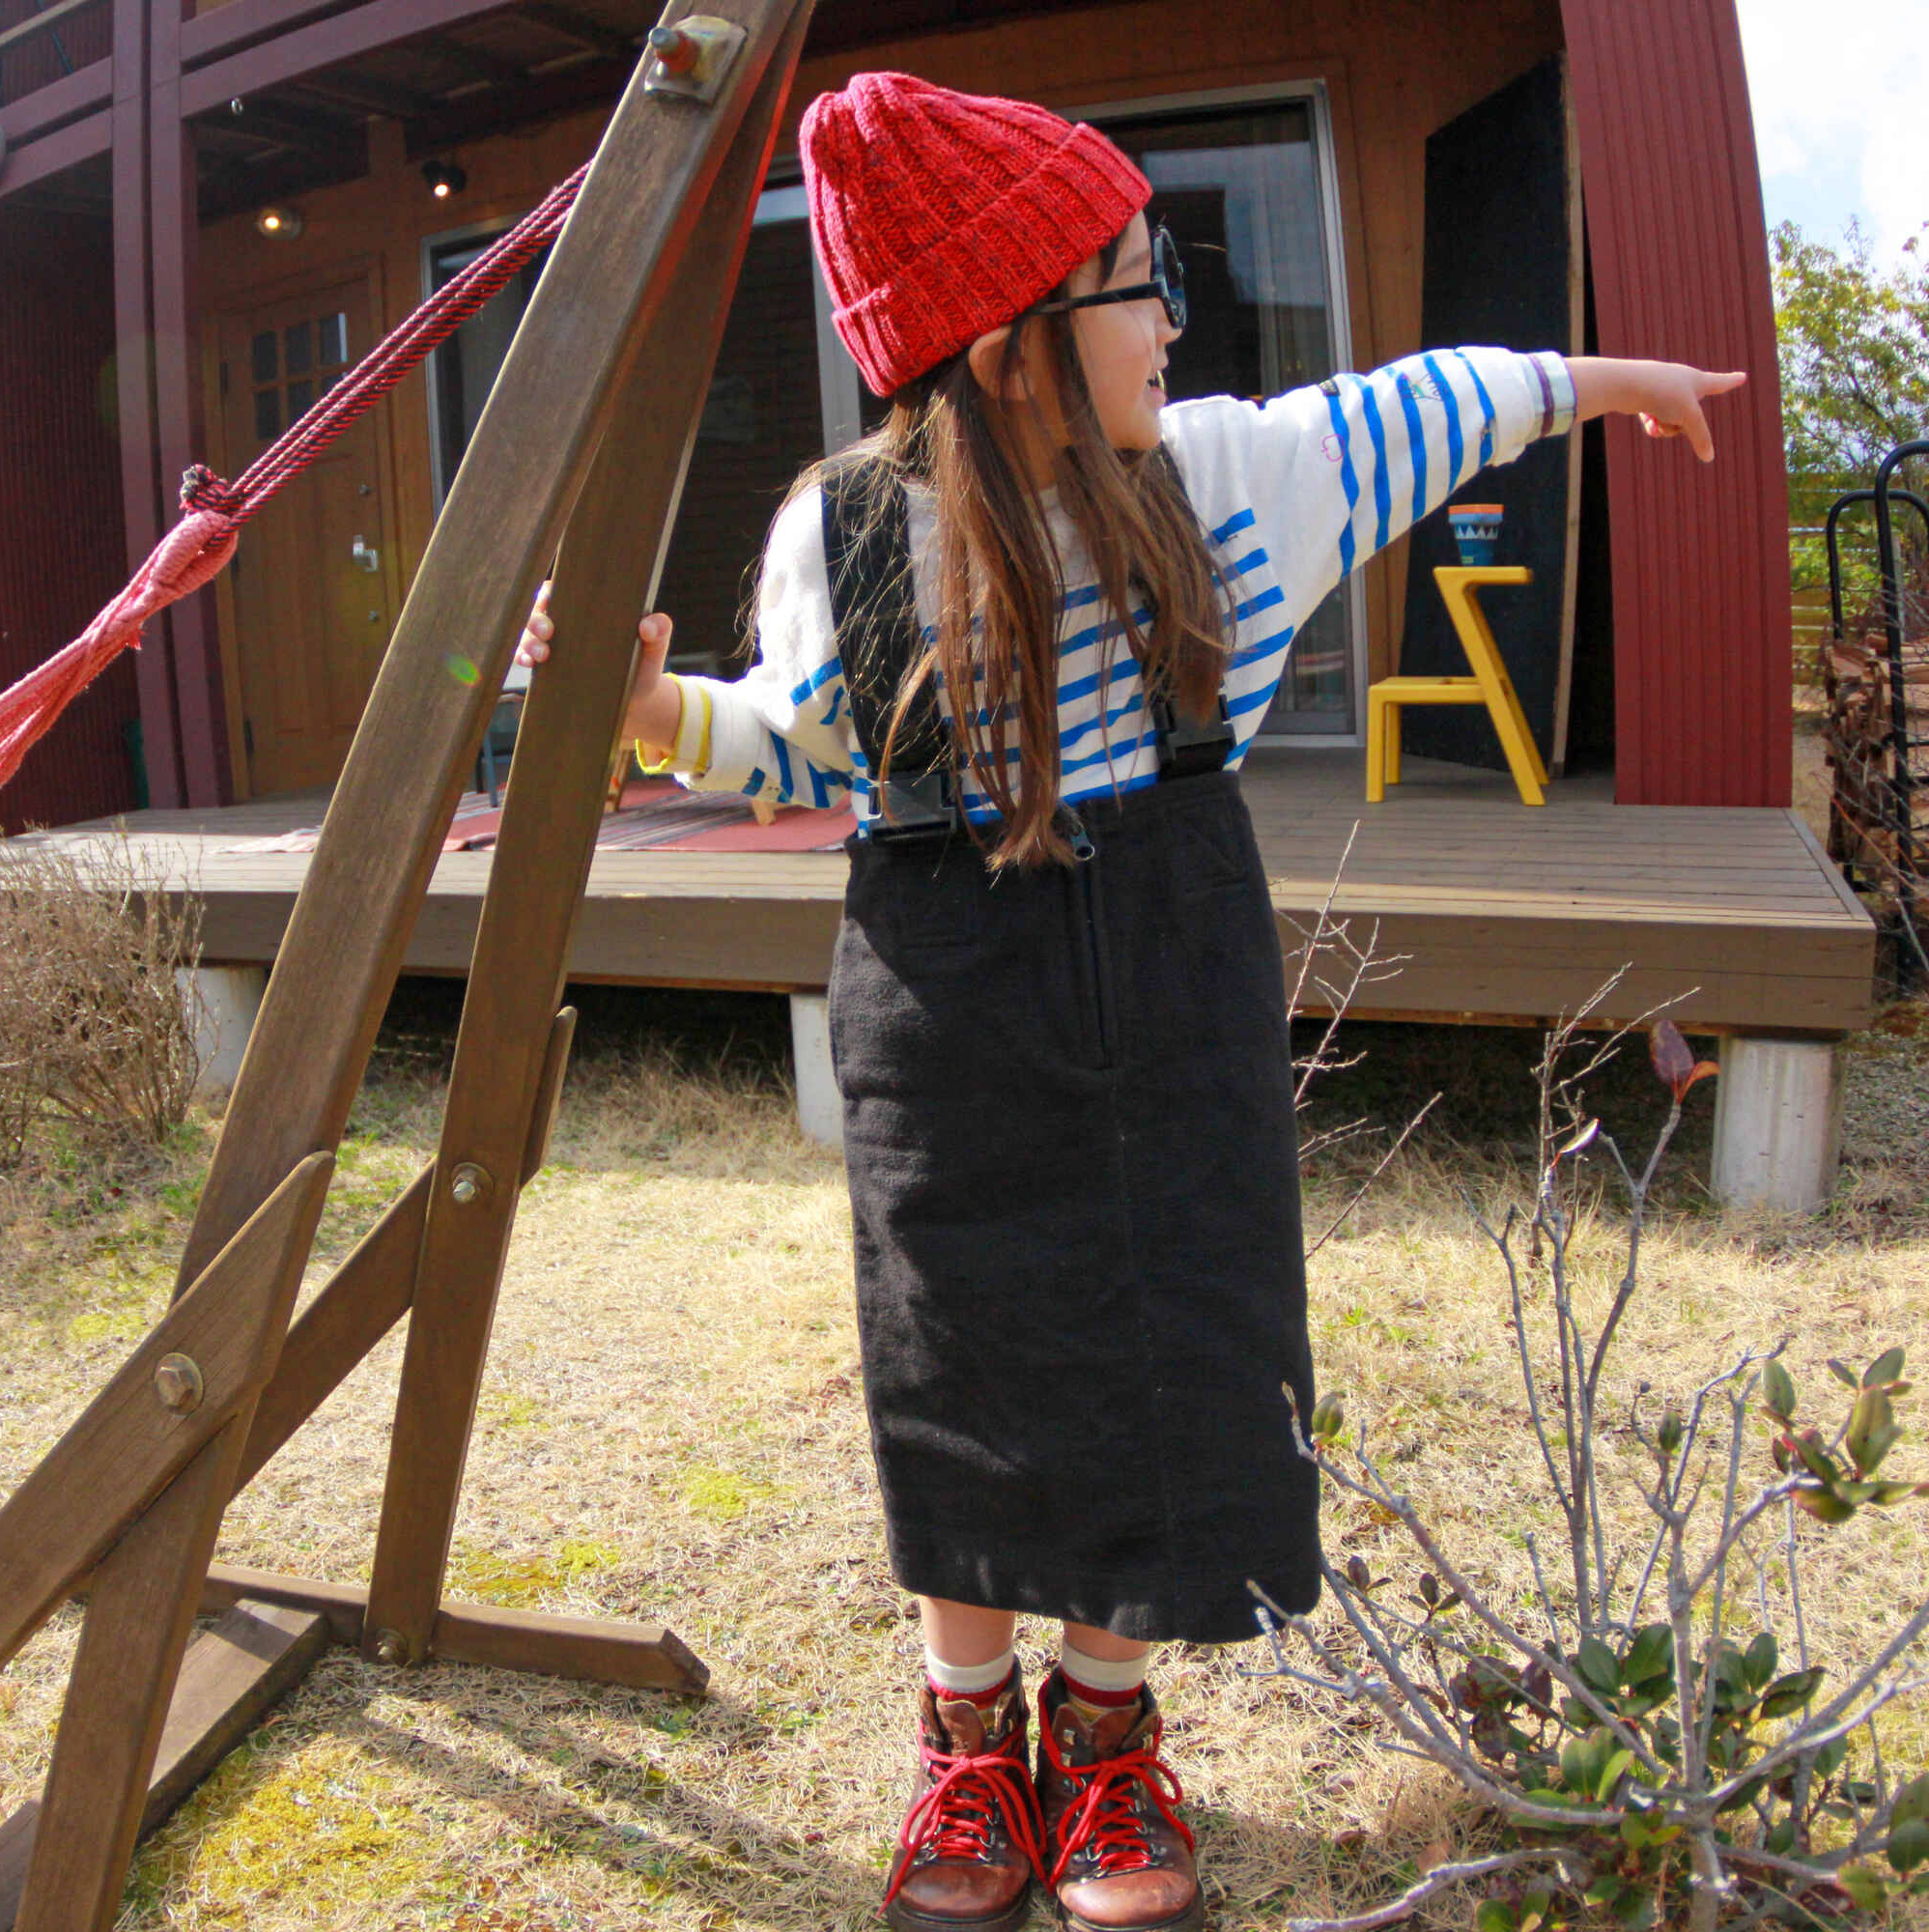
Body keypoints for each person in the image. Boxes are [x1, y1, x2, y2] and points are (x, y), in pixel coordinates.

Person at [518, 71, 1745, 1932]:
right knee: (960, 1351)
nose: (1175, 314)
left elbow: (1429, 405)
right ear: (1009, 338)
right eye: (1135, 279)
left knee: (1176, 1336)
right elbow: (801, 744)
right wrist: (650, 716)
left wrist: (1615, 382)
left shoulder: (1228, 475)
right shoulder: (845, 533)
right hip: (942, 994)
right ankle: (965, 1732)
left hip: (1175, 968)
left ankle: (1102, 1732)